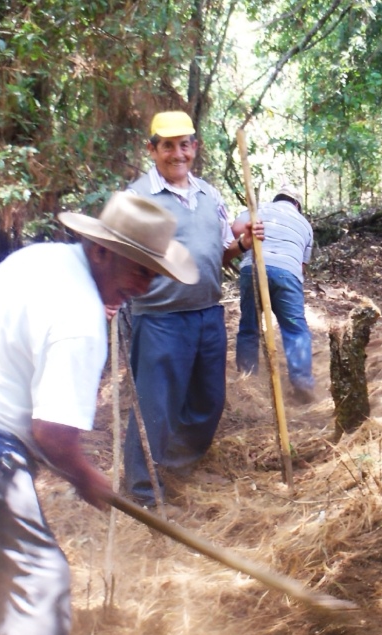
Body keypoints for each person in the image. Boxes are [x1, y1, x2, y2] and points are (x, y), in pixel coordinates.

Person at [0, 192, 197, 635]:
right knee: (39, 578)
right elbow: (53, 433)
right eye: (139, 270)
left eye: (153, 273)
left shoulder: (38, 259)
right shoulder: (80, 321)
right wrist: (86, 476)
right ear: (101, 251)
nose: (146, 286)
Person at [121, 110, 259, 506]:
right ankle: (142, 490)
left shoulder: (208, 195)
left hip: (207, 313)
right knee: (155, 406)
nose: (177, 154)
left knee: (209, 399)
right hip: (161, 318)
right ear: (152, 150)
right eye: (168, 146)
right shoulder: (136, 198)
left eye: (185, 145)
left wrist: (245, 243)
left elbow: (221, 252)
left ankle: (178, 465)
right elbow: (115, 258)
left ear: (194, 148)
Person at [231, 184, 316, 403]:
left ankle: (247, 383)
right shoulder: (305, 224)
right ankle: (302, 383)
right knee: (295, 328)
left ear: (277, 198)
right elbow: (301, 266)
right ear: (296, 204)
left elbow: (235, 228)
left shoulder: (259, 209)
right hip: (287, 273)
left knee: (249, 327)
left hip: (253, 268)